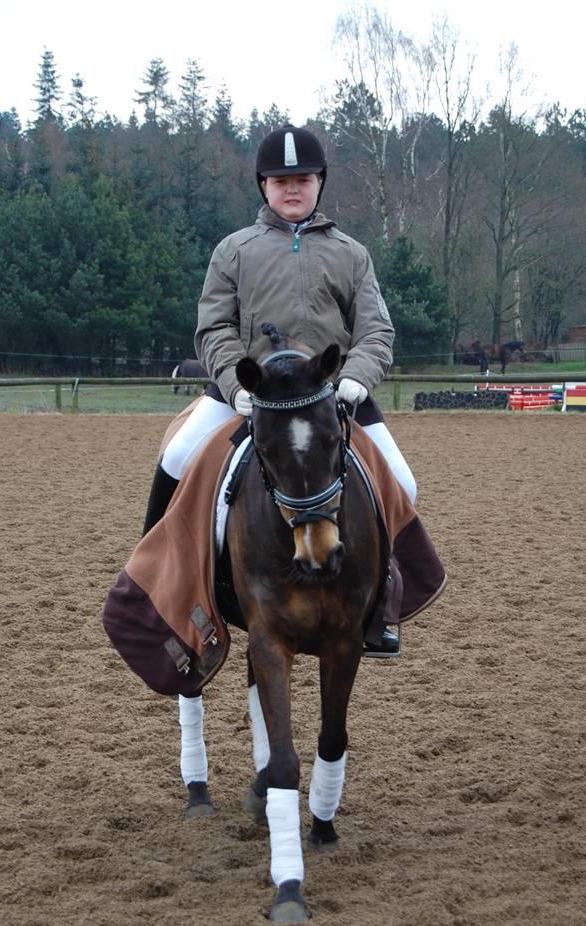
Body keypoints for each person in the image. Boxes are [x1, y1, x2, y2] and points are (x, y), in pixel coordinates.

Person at [142, 125, 417, 654]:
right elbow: (213, 328)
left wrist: (358, 376)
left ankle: (381, 601)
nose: (293, 188)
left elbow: (376, 329)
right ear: (263, 186)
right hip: (248, 391)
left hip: (334, 394)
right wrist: (233, 381)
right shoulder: (233, 251)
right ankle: (156, 580)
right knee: (176, 454)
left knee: (403, 484)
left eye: (303, 179)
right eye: (281, 179)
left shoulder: (352, 254)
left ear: (320, 183)